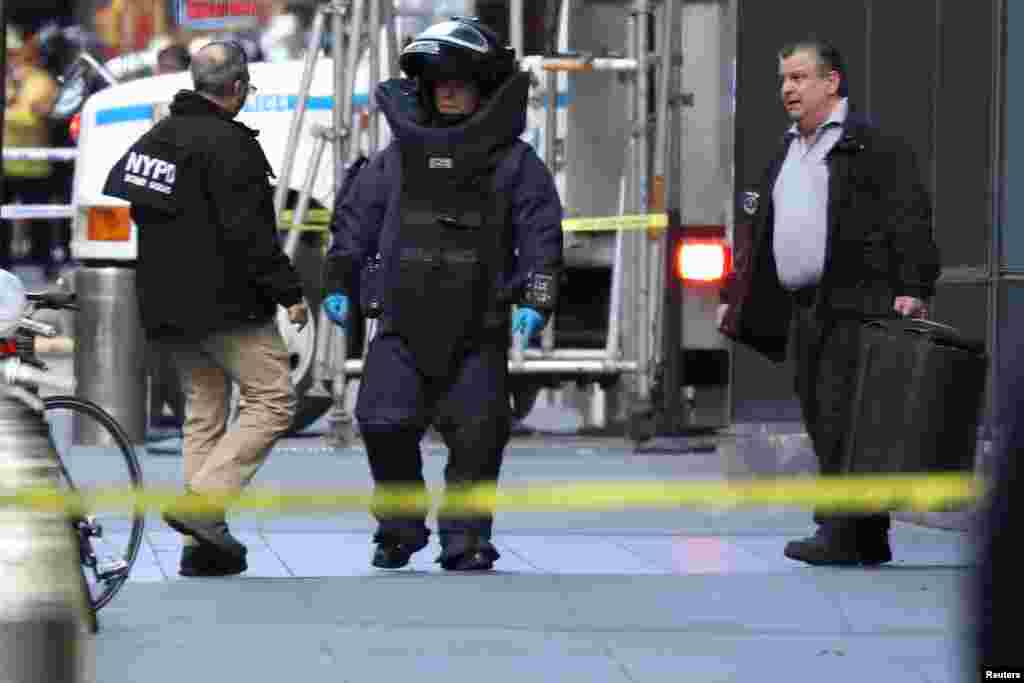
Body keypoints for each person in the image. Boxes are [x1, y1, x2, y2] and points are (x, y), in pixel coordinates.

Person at [321, 17, 563, 571]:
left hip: (479, 328)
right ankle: (400, 528)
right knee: (381, 422)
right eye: (439, 81)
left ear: (484, 86)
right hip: (401, 324)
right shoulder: (398, 157)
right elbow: (356, 221)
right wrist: (338, 279)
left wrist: (536, 297)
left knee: (478, 436)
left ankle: (466, 539)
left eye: (460, 80)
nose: (449, 90)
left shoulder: (515, 162)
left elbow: (542, 235)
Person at [718, 38, 940, 566]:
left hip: (857, 303)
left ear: (831, 82)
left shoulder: (872, 145)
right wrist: (735, 294)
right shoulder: (787, 150)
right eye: (783, 80)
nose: (787, 89)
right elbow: (761, 229)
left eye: (798, 78)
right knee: (825, 420)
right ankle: (868, 536)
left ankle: (839, 532)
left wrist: (915, 286)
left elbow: (909, 215)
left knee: (848, 422)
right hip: (805, 308)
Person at [102, 41, 308, 577]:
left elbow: (142, 213)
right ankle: (203, 506)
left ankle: (203, 550)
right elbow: (253, 237)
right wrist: (289, 291)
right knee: (273, 401)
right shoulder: (230, 146)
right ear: (237, 88)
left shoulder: (157, 138)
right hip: (227, 307)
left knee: (205, 409)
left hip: (166, 305)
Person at [3, 26, 59, 274]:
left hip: (35, 165)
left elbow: (33, 118)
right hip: (6, 164)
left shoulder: (42, 82)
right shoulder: (7, 82)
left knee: (39, 221)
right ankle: (4, 267)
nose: (13, 59)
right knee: (2, 222)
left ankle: (44, 265)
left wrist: (10, 112)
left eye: (15, 54)